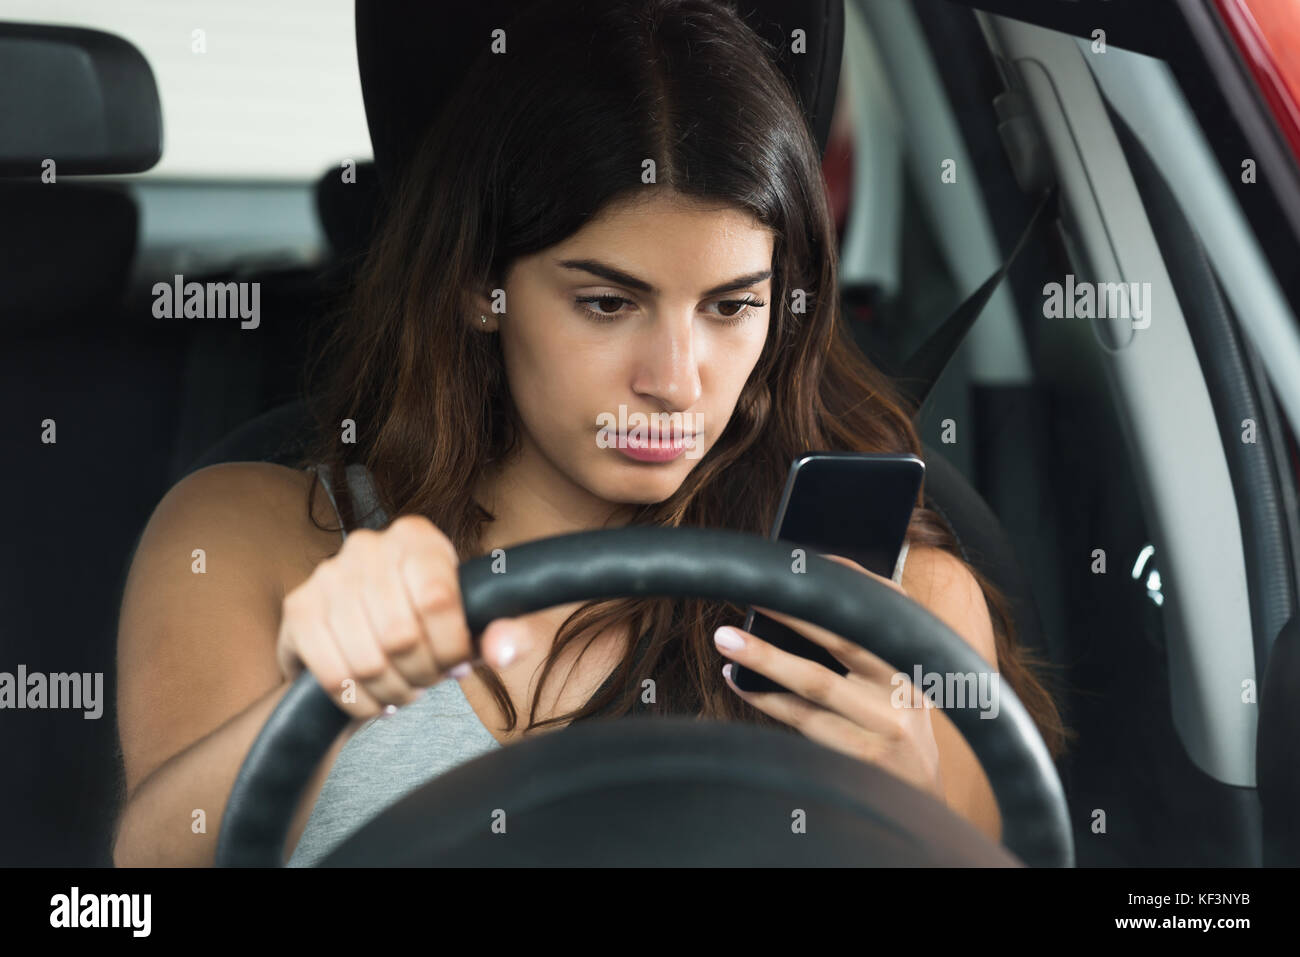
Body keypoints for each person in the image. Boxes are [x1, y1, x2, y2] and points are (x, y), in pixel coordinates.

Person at [112, 0, 1069, 868]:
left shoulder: (894, 611)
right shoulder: (249, 540)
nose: (675, 381)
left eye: (732, 307)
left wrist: (916, 817)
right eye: (608, 302)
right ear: (476, 286)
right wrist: (325, 695)